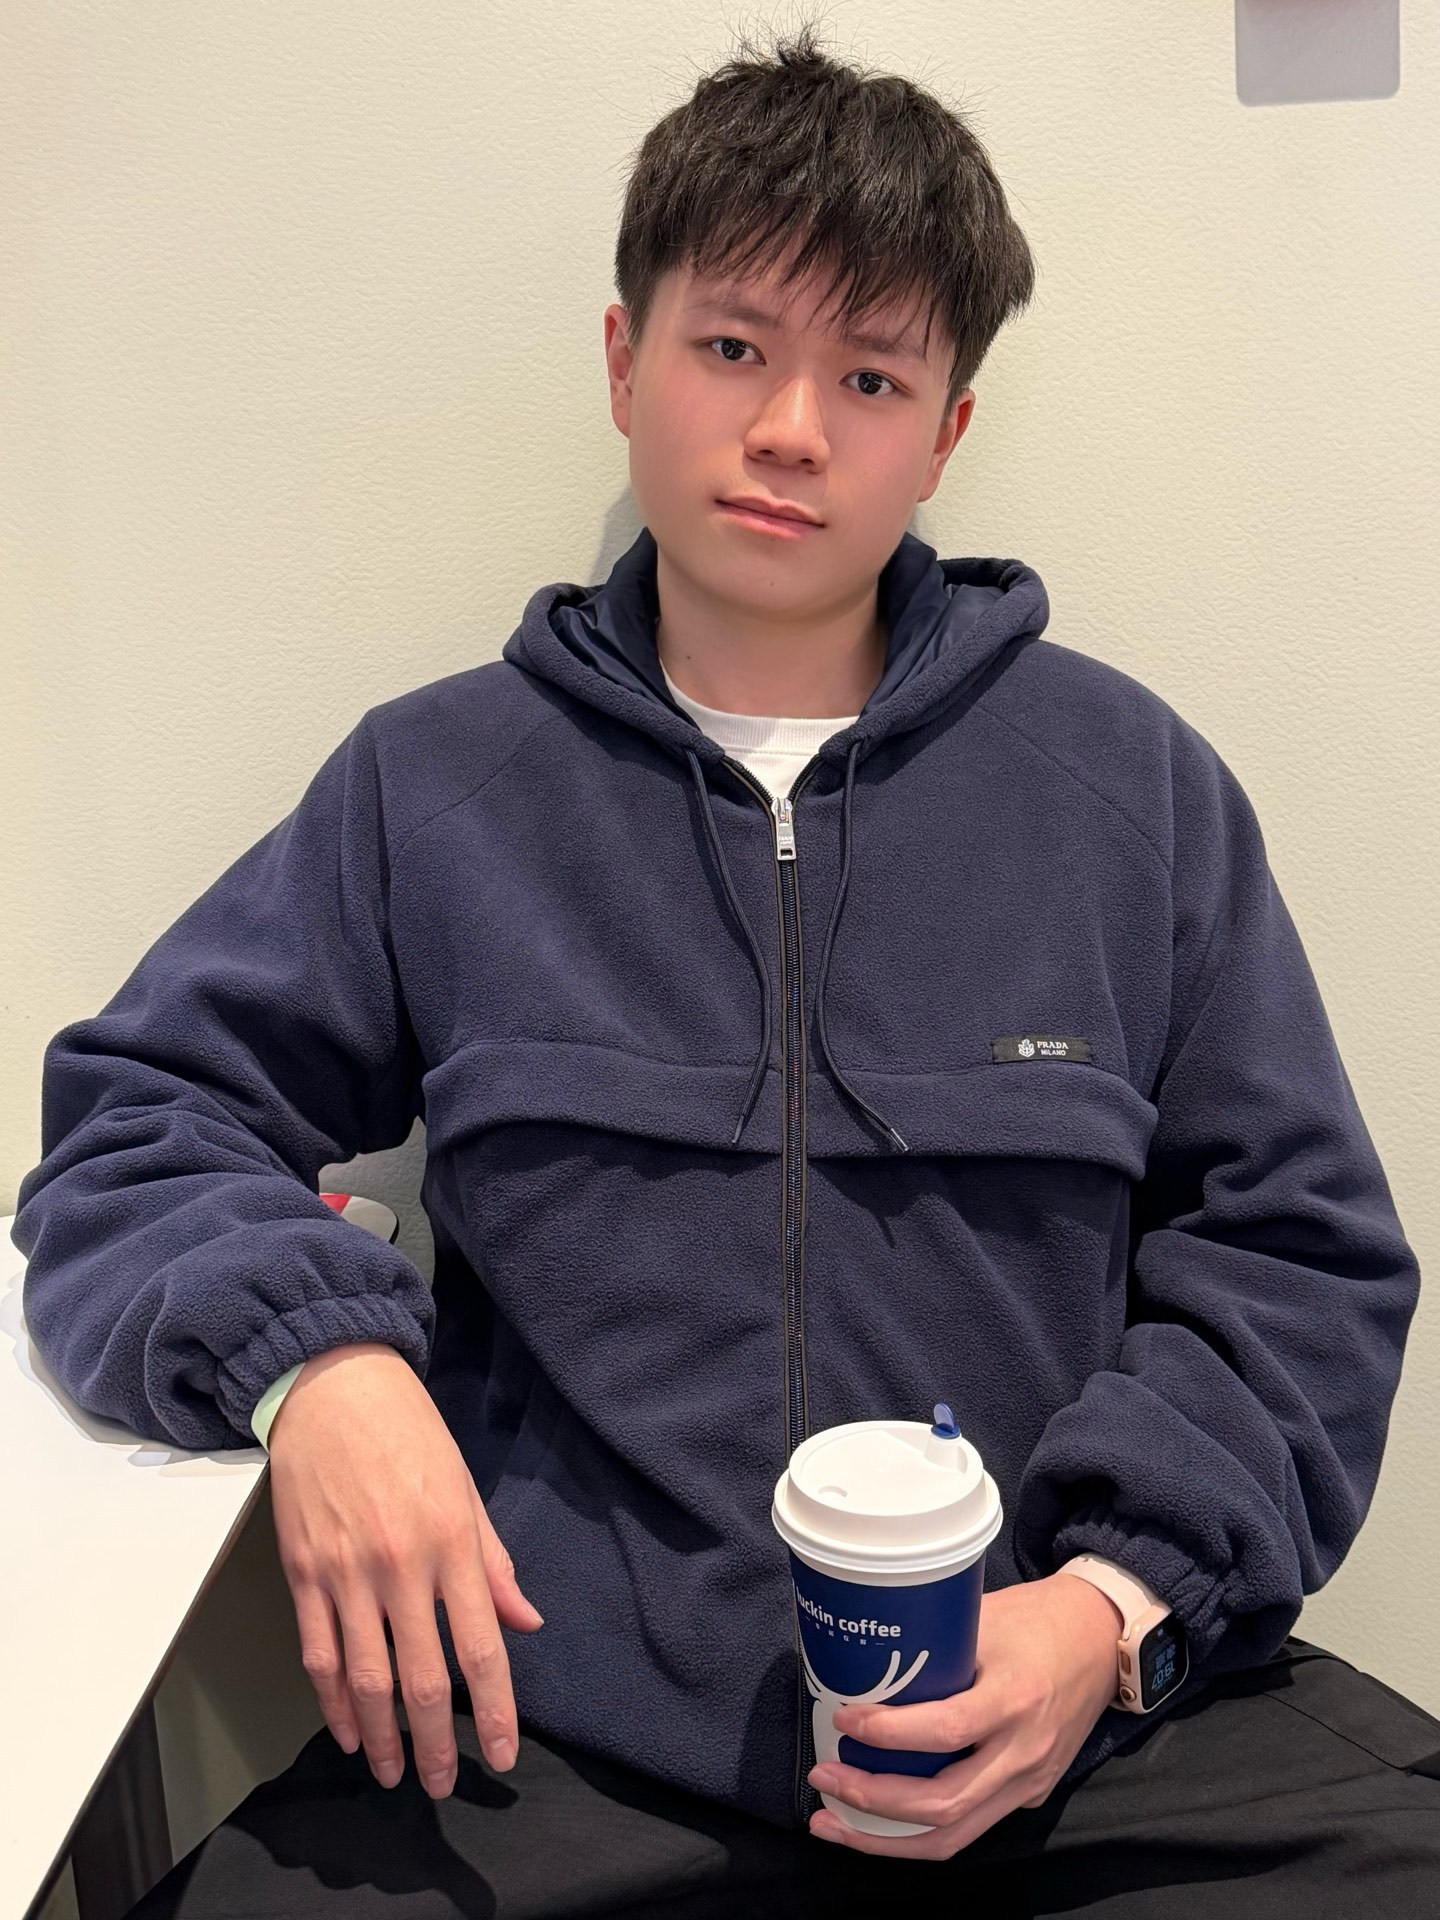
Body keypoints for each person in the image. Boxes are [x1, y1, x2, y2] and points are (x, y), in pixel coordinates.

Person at [13, 20, 1437, 1918]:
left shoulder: (1129, 790)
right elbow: (133, 1129)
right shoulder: (437, 789)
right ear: (626, 361)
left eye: (871, 376)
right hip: (551, 1753)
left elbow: (1303, 1258)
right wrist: (317, 1372)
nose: (791, 431)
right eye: (735, 348)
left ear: (946, 432)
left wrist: (1106, 1616)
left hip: (1073, 1743)